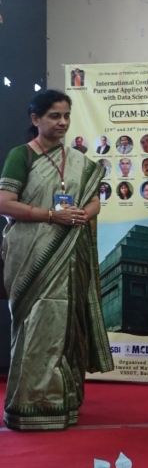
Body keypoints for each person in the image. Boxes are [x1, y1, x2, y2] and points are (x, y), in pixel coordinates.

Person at [0, 90, 113, 431]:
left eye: (66, 116)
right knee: (36, 326)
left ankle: (64, 400)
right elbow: (5, 203)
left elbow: (95, 201)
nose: (62, 122)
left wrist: (83, 214)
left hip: (71, 253)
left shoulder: (78, 160)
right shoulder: (22, 155)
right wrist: (52, 215)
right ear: (36, 119)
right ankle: (30, 403)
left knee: (67, 326)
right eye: (54, 116)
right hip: (31, 255)